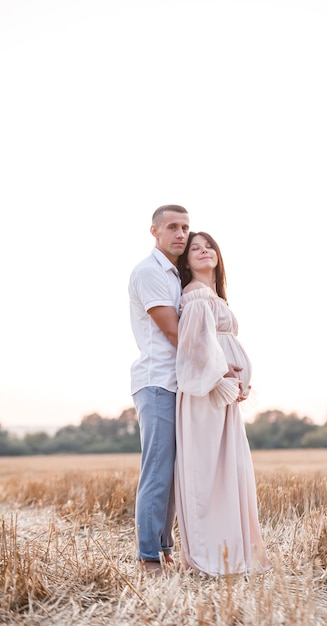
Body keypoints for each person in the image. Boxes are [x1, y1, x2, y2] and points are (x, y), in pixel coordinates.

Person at [175, 231, 271, 576]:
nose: (203, 252)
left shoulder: (214, 295)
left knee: (230, 469)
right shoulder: (196, 295)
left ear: (218, 253)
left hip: (223, 392)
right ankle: (211, 554)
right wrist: (222, 377)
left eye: (208, 246)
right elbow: (193, 348)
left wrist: (237, 380)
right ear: (185, 261)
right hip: (207, 393)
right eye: (194, 249)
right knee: (209, 471)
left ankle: (232, 550)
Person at [128, 204, 190, 575]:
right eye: (172, 227)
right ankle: (149, 557)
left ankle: (164, 548)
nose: (181, 234)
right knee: (156, 470)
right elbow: (173, 331)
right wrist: (216, 370)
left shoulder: (176, 276)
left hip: (180, 384)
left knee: (171, 472)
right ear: (155, 231)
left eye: (185, 227)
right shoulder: (149, 272)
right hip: (156, 382)